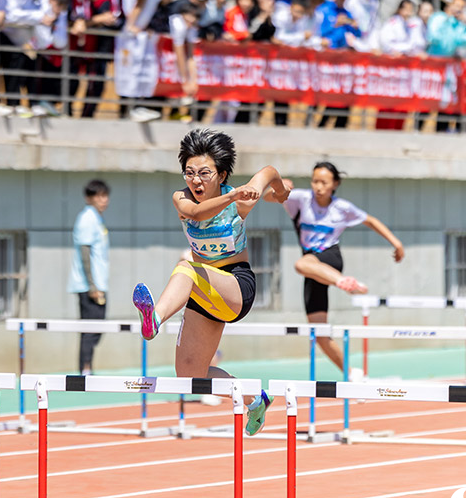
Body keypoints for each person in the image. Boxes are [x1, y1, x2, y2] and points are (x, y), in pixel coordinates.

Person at [131, 128, 291, 436]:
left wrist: (281, 192)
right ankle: (254, 399)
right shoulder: (183, 199)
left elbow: (269, 172)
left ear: (222, 174)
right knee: (189, 374)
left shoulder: (240, 203)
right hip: (204, 292)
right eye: (189, 173)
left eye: (204, 173)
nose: (195, 181)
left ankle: (156, 318)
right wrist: (233, 194)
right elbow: (196, 212)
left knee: (186, 267)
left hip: (236, 287)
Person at [281, 162, 404, 376]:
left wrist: (397, 243)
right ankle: (351, 372)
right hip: (314, 270)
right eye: (315, 181)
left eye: (324, 182)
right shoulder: (301, 199)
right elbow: (268, 197)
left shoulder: (342, 208)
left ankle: (342, 281)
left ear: (335, 184)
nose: (318, 187)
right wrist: (278, 187)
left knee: (300, 264)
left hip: (330, 258)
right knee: (318, 333)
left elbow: (371, 221)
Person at [69, 180, 110, 375]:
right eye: (98, 196)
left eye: (105, 195)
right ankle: (85, 370)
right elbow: (85, 254)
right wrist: (92, 286)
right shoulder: (87, 218)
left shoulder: (96, 219)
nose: (103, 200)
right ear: (89, 198)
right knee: (90, 329)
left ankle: (87, 367)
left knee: (96, 329)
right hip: (89, 286)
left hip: (98, 283)